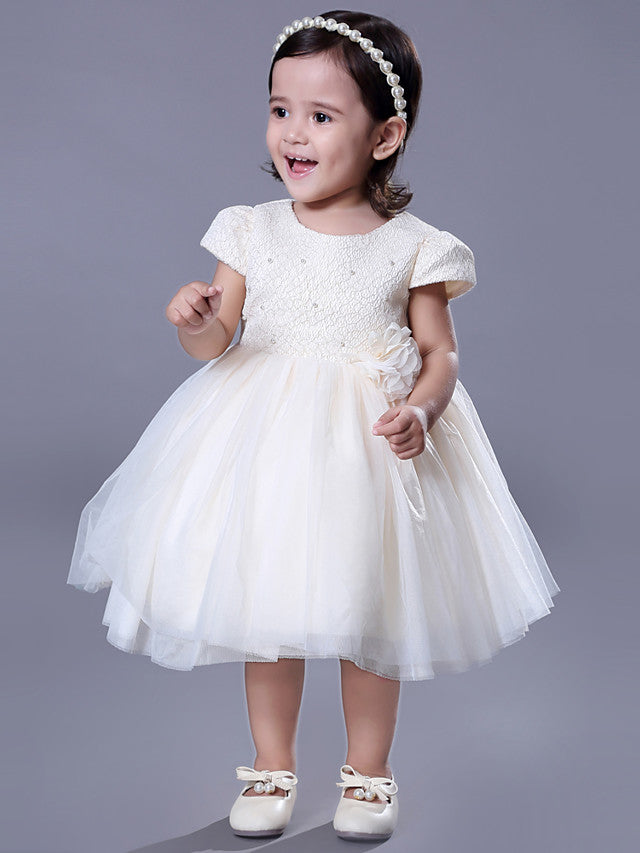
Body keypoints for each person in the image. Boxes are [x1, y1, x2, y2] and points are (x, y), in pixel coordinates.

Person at [66, 10, 560, 843]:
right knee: (270, 609)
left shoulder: (415, 247)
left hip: (368, 451)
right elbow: (217, 343)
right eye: (279, 109)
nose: (293, 132)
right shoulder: (249, 229)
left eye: (321, 115)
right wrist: (197, 320)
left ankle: (369, 771)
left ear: (384, 136)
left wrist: (422, 408)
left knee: (371, 611)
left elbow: (440, 352)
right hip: (265, 446)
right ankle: (271, 763)